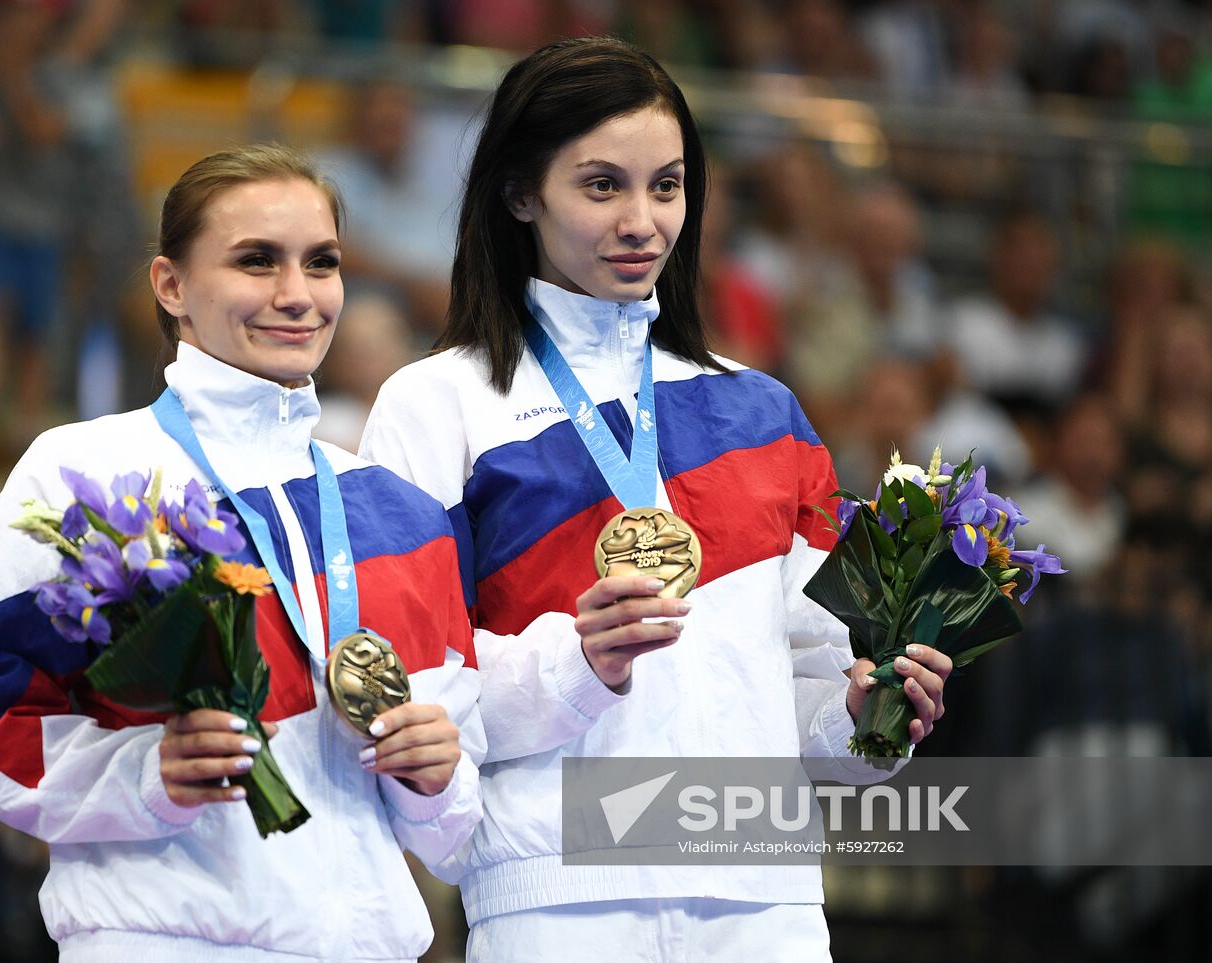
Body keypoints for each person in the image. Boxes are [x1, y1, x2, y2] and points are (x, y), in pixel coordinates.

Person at [360, 37, 952, 961]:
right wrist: (577, 661)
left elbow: (805, 690)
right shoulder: (437, 405)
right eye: (602, 185)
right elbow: (407, 682)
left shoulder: (766, 413)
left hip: (767, 902)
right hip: (556, 892)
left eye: (667, 186)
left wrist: (869, 713)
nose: (642, 220)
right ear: (521, 193)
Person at [0, 143, 484, 962]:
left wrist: (440, 776)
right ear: (172, 285)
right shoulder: (85, 475)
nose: (296, 295)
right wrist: (144, 775)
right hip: (162, 940)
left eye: (321, 262)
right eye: (256, 261)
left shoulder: (400, 514)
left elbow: (449, 824)